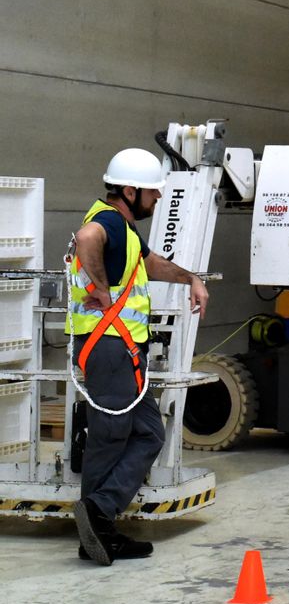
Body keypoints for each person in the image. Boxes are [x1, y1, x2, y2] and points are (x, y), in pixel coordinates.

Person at [70, 148, 209, 565]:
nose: (158, 199)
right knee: (110, 436)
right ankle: (97, 525)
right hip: (109, 346)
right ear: (129, 191)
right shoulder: (107, 222)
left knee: (149, 432)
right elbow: (86, 239)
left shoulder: (126, 231)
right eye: (153, 192)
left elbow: (150, 264)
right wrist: (99, 285)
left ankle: (97, 515)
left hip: (122, 349)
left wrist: (191, 279)